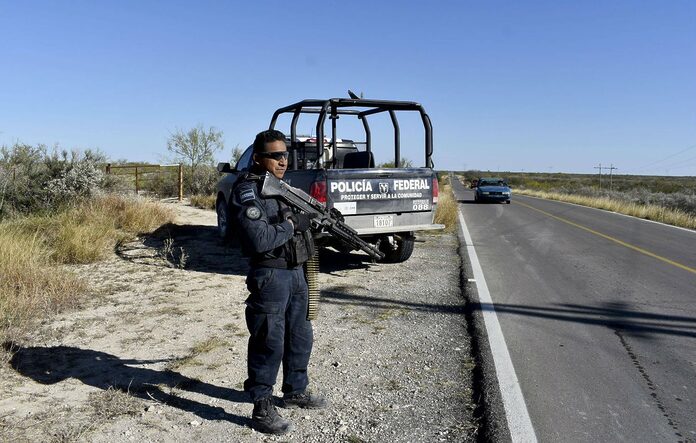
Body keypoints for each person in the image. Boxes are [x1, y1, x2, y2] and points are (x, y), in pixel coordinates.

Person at [230, 129, 327, 435]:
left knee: (300, 336)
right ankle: (261, 406)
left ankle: (295, 390)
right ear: (258, 158)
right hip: (270, 274)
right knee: (268, 340)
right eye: (276, 155)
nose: (283, 160)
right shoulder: (247, 191)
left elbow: (301, 225)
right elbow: (259, 239)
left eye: (285, 154)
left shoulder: (282, 187)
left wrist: (318, 220)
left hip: (297, 272)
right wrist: (291, 224)